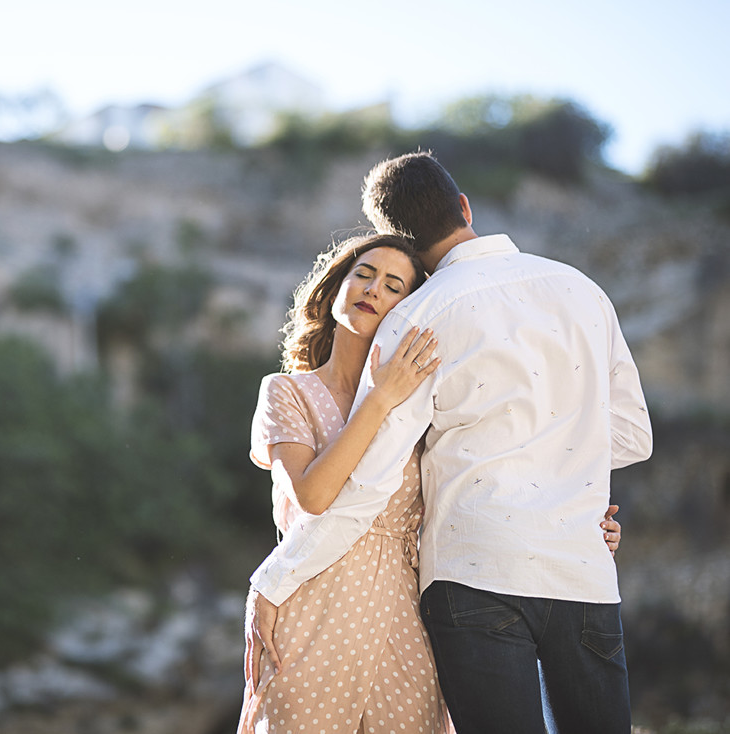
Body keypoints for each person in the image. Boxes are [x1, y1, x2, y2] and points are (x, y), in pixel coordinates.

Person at [248, 152, 652, 734]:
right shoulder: (583, 291)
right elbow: (633, 436)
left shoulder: (420, 316)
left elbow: (368, 485)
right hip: (579, 566)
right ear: (464, 206)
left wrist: (275, 578)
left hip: (472, 575)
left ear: (404, 243)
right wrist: (561, 478)